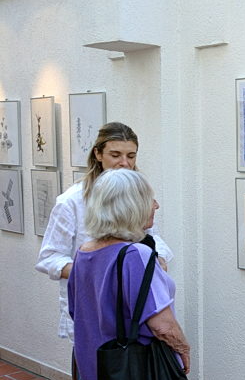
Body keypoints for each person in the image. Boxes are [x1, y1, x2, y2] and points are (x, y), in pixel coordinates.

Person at [68, 168, 189, 380]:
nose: (156, 205)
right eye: (149, 198)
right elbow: (162, 326)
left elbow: (76, 311)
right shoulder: (135, 255)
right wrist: (184, 350)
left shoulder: (84, 252)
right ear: (130, 205)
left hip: (96, 378)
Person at [35, 122, 173, 342]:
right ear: (98, 154)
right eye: (115, 155)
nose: (124, 163)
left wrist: (158, 259)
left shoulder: (138, 196)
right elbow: (49, 258)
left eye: (131, 156)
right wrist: (101, 271)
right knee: (94, 360)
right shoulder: (71, 201)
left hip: (134, 306)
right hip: (91, 308)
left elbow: (150, 237)